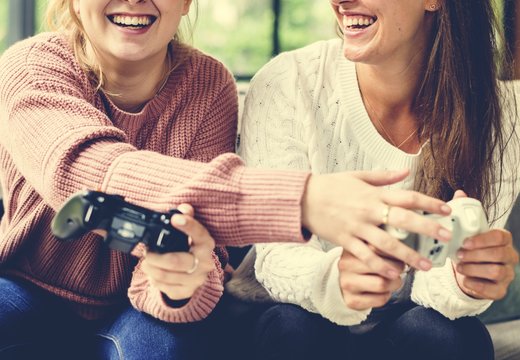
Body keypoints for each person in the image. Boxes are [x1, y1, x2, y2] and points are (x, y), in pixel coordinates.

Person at [0, 0, 463, 358]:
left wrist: (178, 287)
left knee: (168, 345)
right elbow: (88, 171)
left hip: (136, 309)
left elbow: (204, 262)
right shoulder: (32, 67)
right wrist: (301, 201)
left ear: (186, 3)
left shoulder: (207, 85)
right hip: (27, 291)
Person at [230, 0, 520, 359]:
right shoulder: (289, 81)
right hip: (287, 316)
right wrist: (335, 281)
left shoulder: (501, 115)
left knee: (454, 336)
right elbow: (277, 256)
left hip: (403, 326)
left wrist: (466, 279)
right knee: (295, 328)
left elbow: (440, 282)